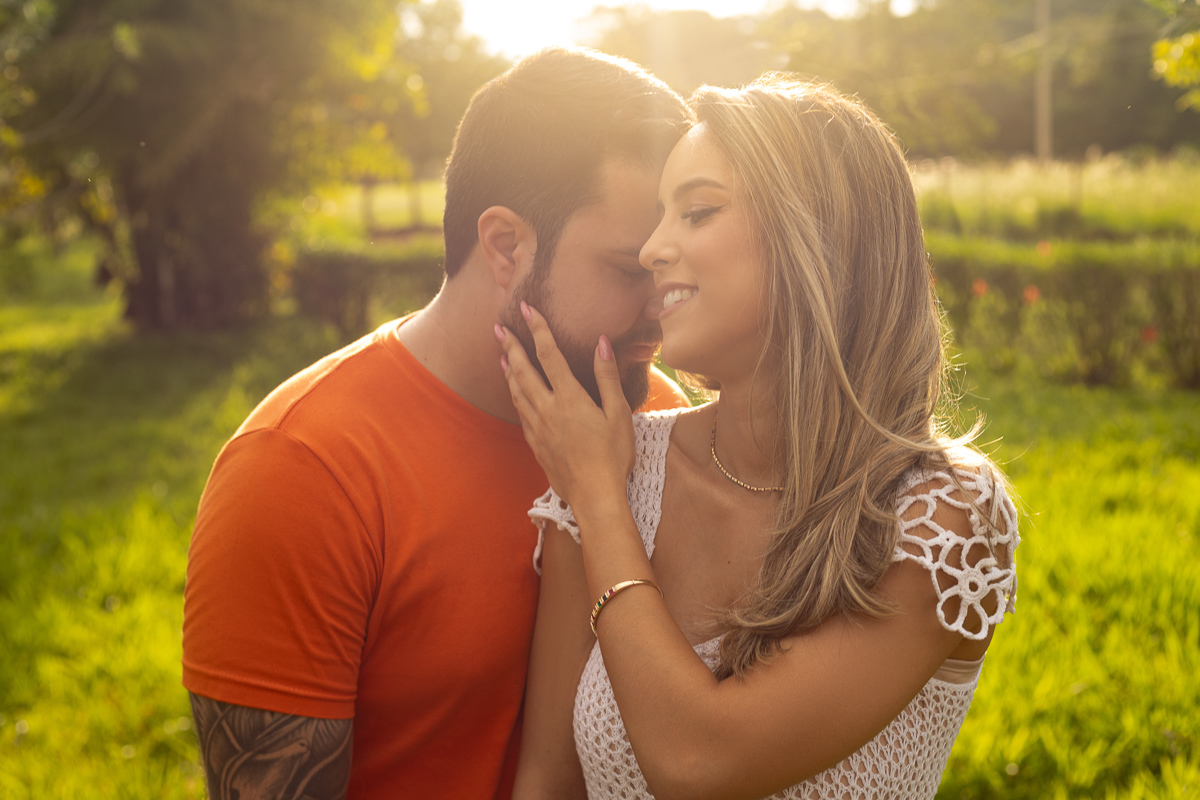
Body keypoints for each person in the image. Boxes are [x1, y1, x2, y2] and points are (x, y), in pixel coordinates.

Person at [181, 48, 692, 799]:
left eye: (671, 265)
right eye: (627, 270)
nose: (662, 305)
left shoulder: (660, 420)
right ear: (506, 246)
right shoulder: (301, 468)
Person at [499, 76, 1020, 800]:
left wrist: (599, 504)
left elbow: (700, 763)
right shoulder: (612, 468)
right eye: (657, 218)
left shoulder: (942, 517)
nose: (652, 249)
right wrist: (595, 493)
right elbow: (548, 781)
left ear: (818, 234)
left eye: (697, 211)